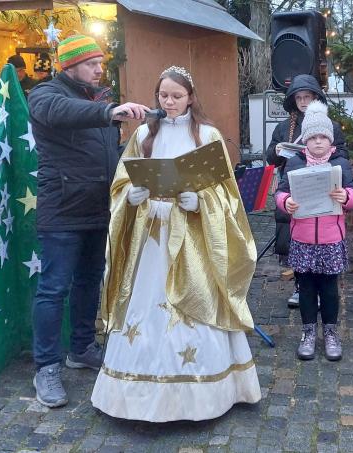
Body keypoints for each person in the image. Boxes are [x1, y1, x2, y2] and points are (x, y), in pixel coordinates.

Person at [91, 66, 261, 421]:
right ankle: (136, 392)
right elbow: (121, 184)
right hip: (152, 233)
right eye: (163, 96)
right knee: (147, 301)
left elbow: (226, 194)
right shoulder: (143, 135)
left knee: (196, 298)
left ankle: (209, 390)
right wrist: (131, 196)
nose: (168, 102)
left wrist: (202, 202)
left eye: (176, 96)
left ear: (191, 98)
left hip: (192, 235)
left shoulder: (208, 134)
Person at [27, 34, 149, 408]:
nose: (100, 69)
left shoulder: (96, 101)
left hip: (98, 209)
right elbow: (61, 113)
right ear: (70, 66)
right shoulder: (45, 95)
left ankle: (81, 348)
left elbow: (108, 156)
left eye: (100, 63)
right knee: (54, 289)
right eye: (92, 64)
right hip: (62, 212)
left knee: (88, 284)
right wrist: (109, 112)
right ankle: (46, 366)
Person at [274, 101, 353, 361]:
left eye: (323, 137)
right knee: (307, 287)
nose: (319, 142)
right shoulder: (295, 164)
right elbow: (280, 192)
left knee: (329, 288)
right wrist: (285, 202)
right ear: (306, 141)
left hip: (331, 237)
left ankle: (331, 332)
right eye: (313, 137)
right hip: (302, 236)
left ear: (331, 140)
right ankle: (308, 331)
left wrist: (346, 196)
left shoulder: (340, 164)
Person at [266, 74, 348, 309]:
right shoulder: (285, 127)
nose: (303, 102)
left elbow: (342, 153)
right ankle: (301, 286)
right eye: (299, 97)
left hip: (324, 187)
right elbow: (270, 156)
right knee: (293, 239)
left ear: (316, 98)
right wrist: (279, 149)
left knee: (322, 239)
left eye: (308, 97)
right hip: (293, 186)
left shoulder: (330, 126)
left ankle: (324, 288)